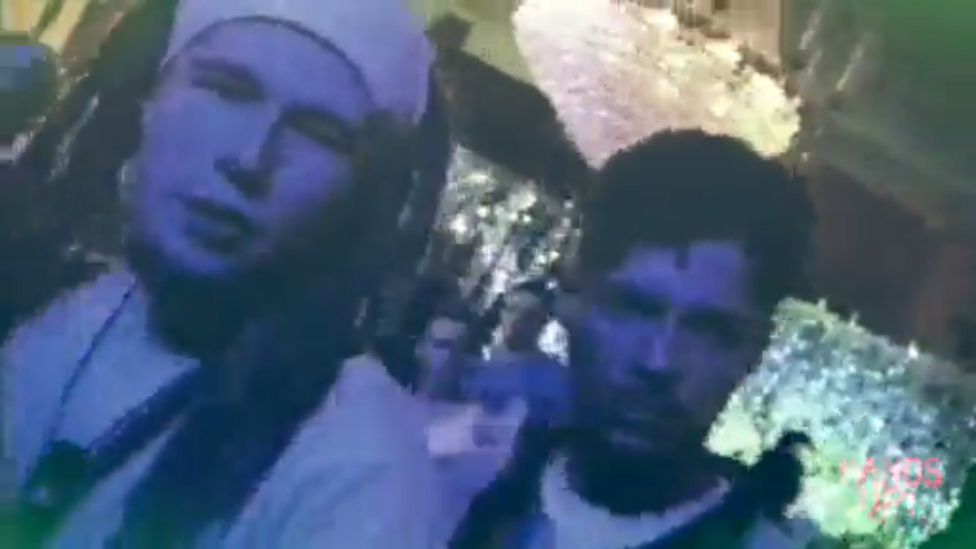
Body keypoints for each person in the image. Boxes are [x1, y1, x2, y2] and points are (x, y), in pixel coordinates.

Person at [2, 0, 448, 547]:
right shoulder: (57, 307)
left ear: (360, 195)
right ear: (148, 100)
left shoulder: (362, 470)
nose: (250, 158)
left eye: (318, 132)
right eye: (227, 90)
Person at [451, 130, 820, 548]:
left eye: (712, 331)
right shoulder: (456, 496)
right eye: (633, 309)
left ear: (754, 353)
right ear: (571, 301)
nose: (659, 360)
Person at [468, 278, 570, 429]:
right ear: (501, 312)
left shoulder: (554, 378)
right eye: (511, 309)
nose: (516, 319)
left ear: (542, 322)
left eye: (528, 315)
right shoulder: (475, 366)